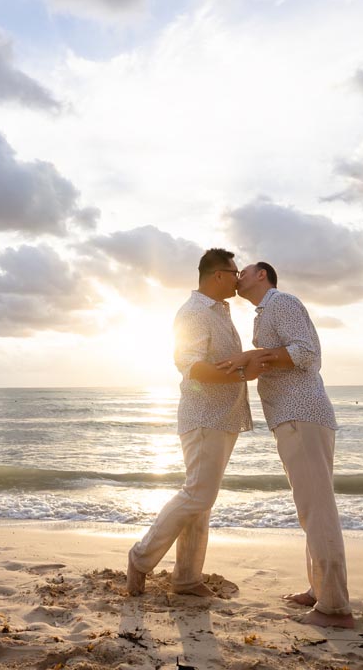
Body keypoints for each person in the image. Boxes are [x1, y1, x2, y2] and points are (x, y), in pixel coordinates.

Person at [219, 262, 354, 628]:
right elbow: (277, 359)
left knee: (318, 509)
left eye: (243, 271)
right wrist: (249, 361)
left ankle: (335, 608)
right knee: (309, 507)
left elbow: (306, 352)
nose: (238, 277)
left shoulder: (282, 302)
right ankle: (319, 590)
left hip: (302, 414)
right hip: (291, 416)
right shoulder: (263, 316)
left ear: (262, 275)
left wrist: (253, 356)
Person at [126, 248, 260, 597]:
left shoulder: (219, 311)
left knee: (202, 499)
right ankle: (140, 558)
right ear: (218, 275)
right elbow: (192, 368)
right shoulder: (194, 313)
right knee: (198, 494)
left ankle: (186, 578)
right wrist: (243, 374)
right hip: (204, 418)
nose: (238, 278)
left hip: (223, 418)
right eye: (234, 273)